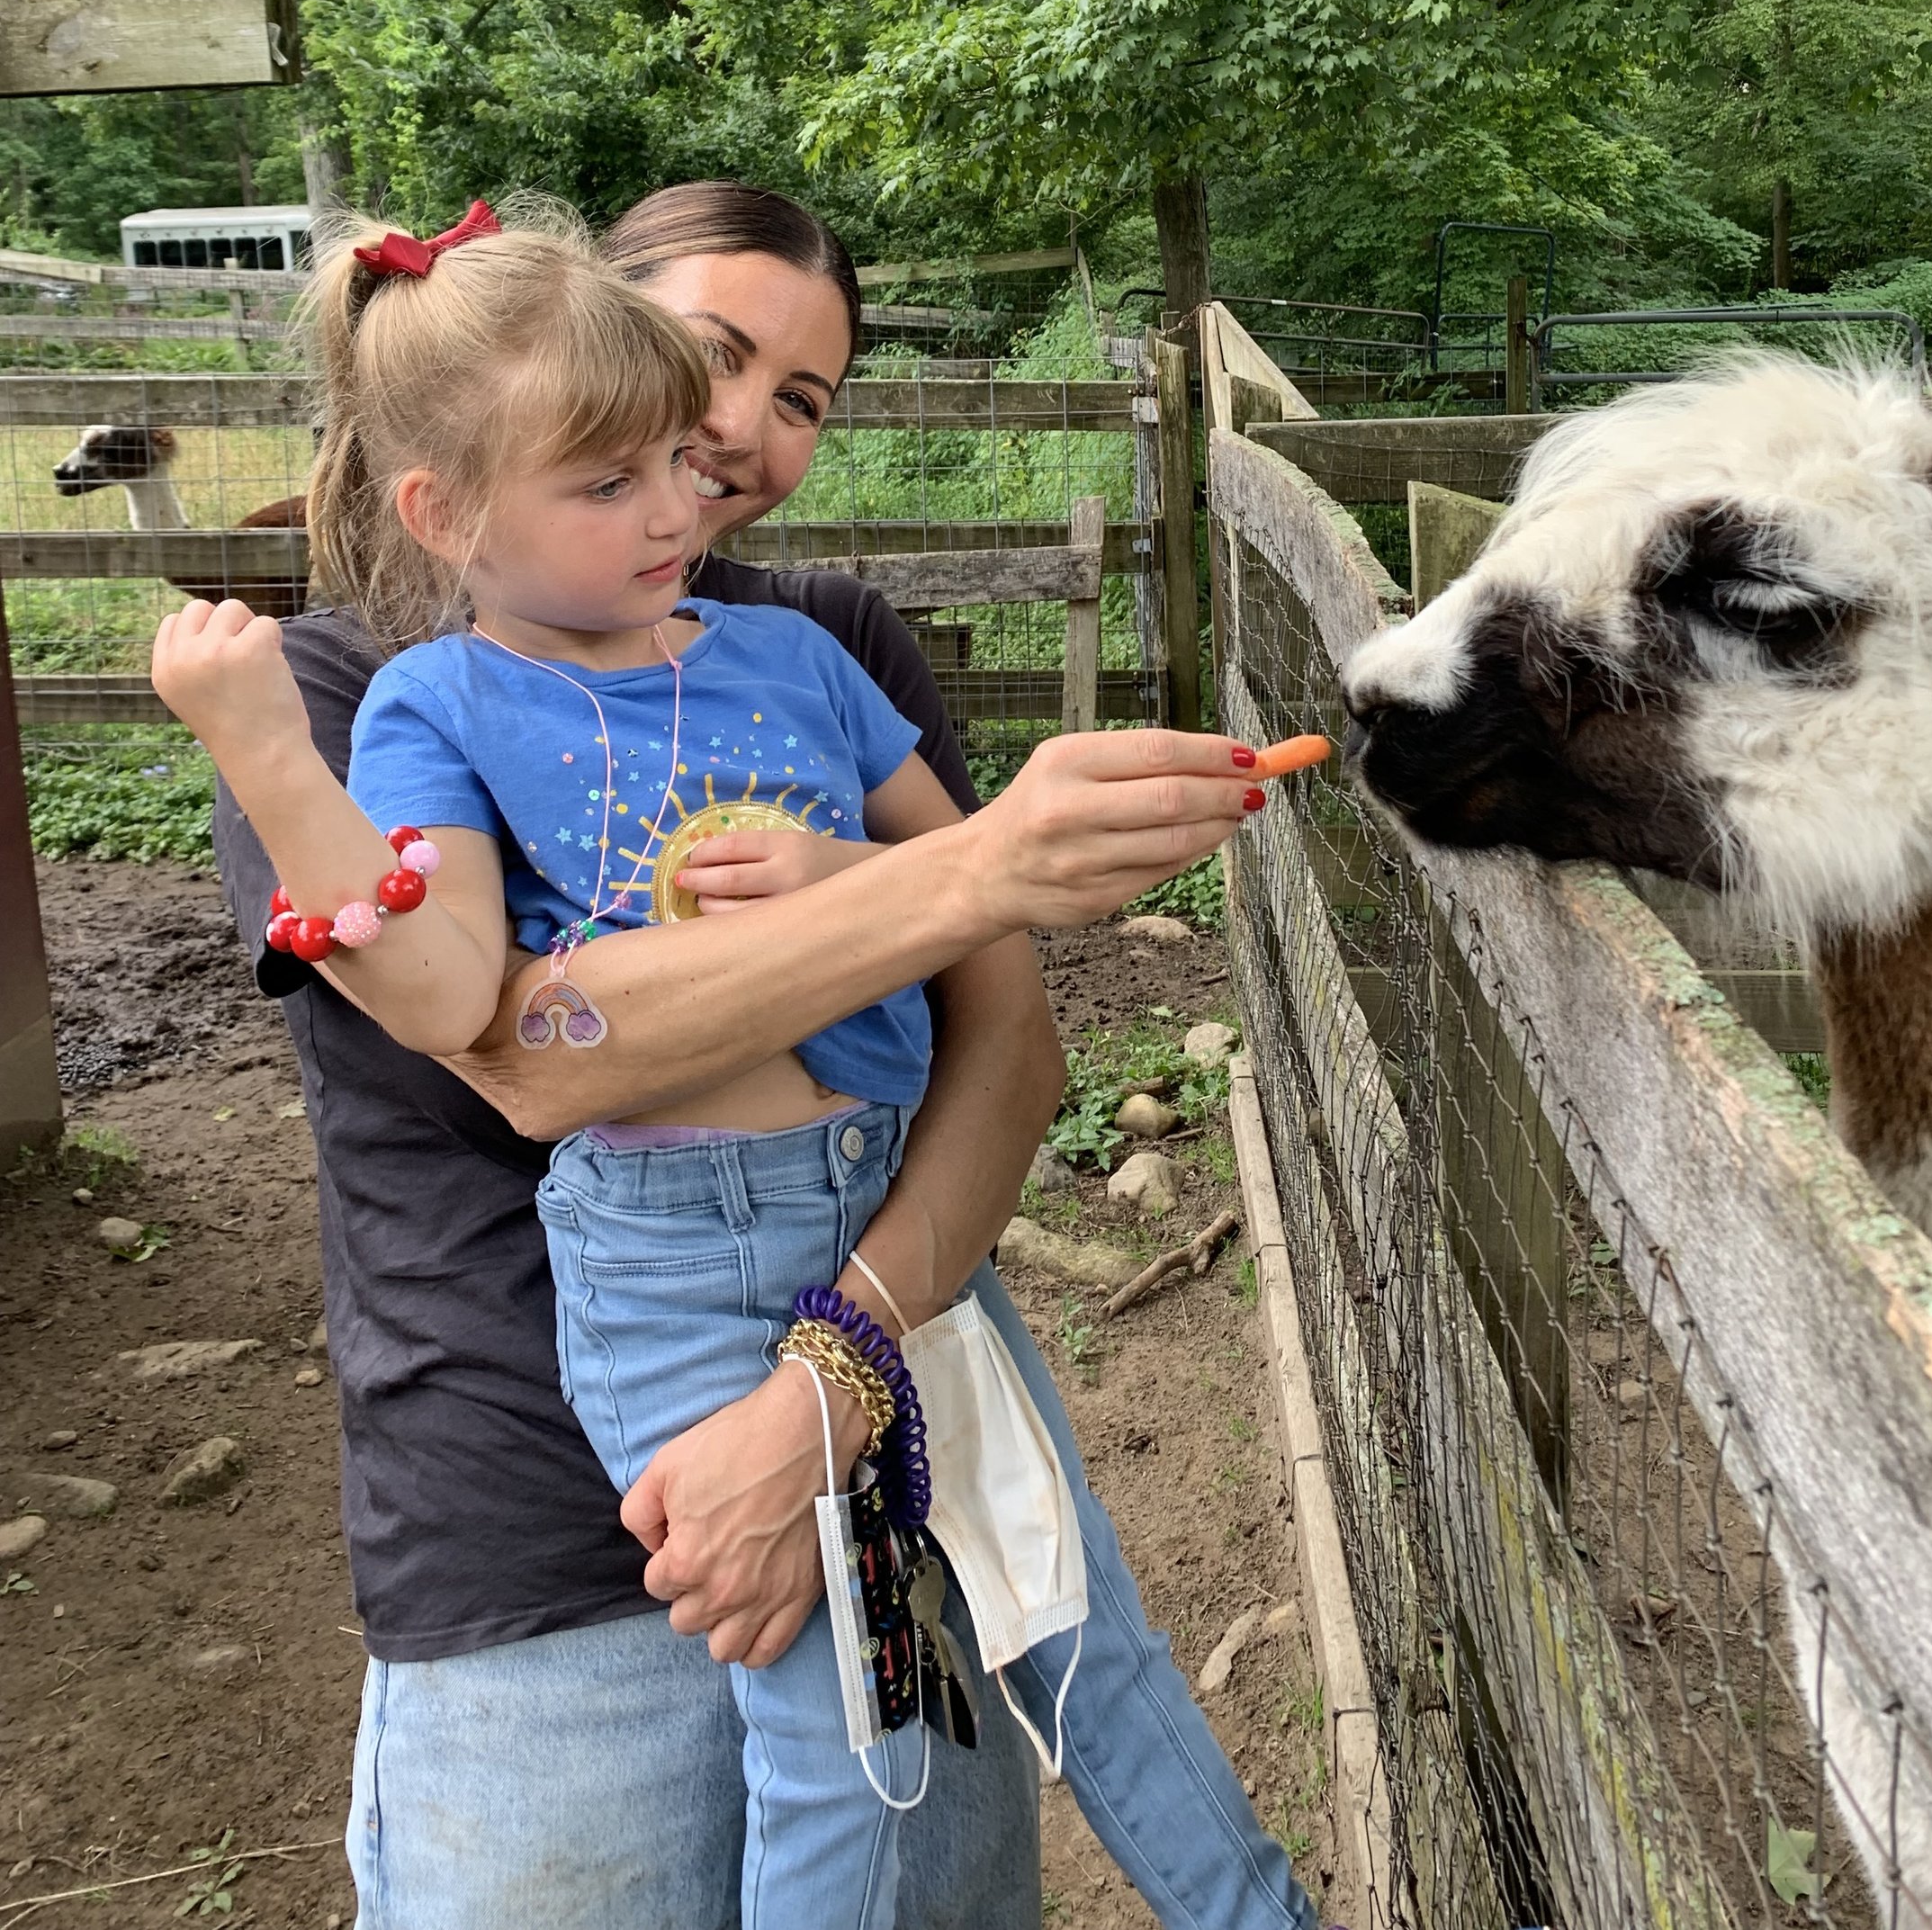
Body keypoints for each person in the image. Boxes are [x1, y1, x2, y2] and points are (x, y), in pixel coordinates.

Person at [196, 182, 1307, 1930]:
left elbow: (1003, 1052)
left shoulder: (813, 648)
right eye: (710, 356)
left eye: (801, 397)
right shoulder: (361, 693)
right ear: (594, 330)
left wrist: (828, 1386)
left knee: (985, 1740)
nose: (726, 434)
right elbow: (528, 1050)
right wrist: (965, 867)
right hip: (547, 1564)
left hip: (871, 1399)